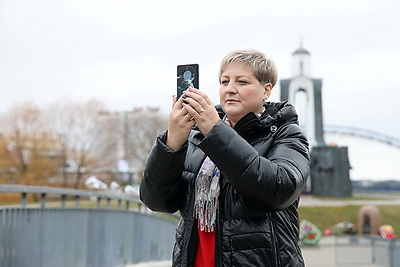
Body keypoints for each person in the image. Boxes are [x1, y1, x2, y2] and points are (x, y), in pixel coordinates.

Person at [140, 49, 309, 266]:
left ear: (266, 90)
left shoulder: (286, 133)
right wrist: (171, 143)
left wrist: (215, 131)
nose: (230, 89)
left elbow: (279, 190)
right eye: (225, 81)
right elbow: (157, 201)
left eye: (242, 82)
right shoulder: (197, 137)